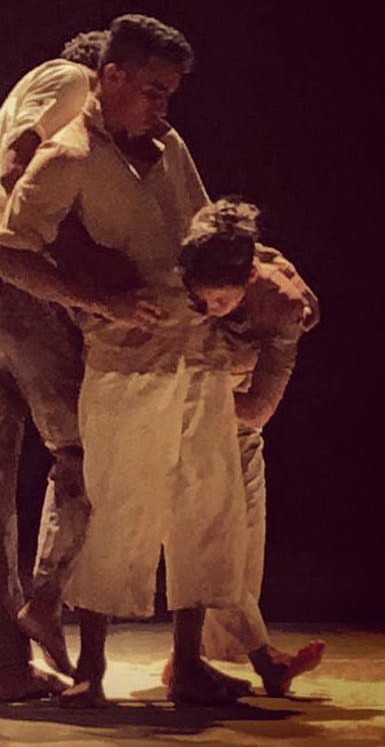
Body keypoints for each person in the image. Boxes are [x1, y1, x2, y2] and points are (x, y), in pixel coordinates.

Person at [0, 13, 249, 707]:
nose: (161, 106)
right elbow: (10, 255)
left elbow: (206, 229)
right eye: (152, 90)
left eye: (169, 93)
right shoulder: (68, 157)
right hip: (126, 364)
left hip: (196, 353)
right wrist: (95, 300)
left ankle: (187, 663)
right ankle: (92, 670)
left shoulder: (169, 146)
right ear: (111, 77)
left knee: (203, 507)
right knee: (117, 513)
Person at [0, 31, 106, 701]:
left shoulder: (19, 94)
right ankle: (45, 596)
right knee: (85, 451)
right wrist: (78, 262)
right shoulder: (72, 79)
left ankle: (7, 667)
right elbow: (16, 165)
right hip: (11, 289)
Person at [174, 198, 325, 696]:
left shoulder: (281, 302)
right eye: (201, 300)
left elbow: (259, 408)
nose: (209, 309)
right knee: (208, 531)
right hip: (179, 414)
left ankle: (201, 657)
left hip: (234, 413)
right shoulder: (184, 280)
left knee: (243, 540)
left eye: (221, 300)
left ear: (249, 277)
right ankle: (249, 659)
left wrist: (208, 392)